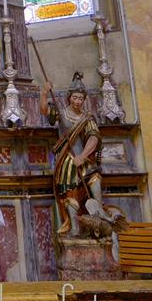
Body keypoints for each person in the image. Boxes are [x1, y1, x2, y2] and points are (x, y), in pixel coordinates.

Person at [40, 71, 103, 236]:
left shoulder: (87, 117)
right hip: (66, 159)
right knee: (70, 191)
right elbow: (44, 110)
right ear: (69, 98)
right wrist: (44, 92)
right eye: (75, 97)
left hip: (83, 157)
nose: (77, 101)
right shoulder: (62, 113)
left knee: (94, 178)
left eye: (81, 98)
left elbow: (93, 138)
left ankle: (100, 210)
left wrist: (82, 156)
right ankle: (74, 226)